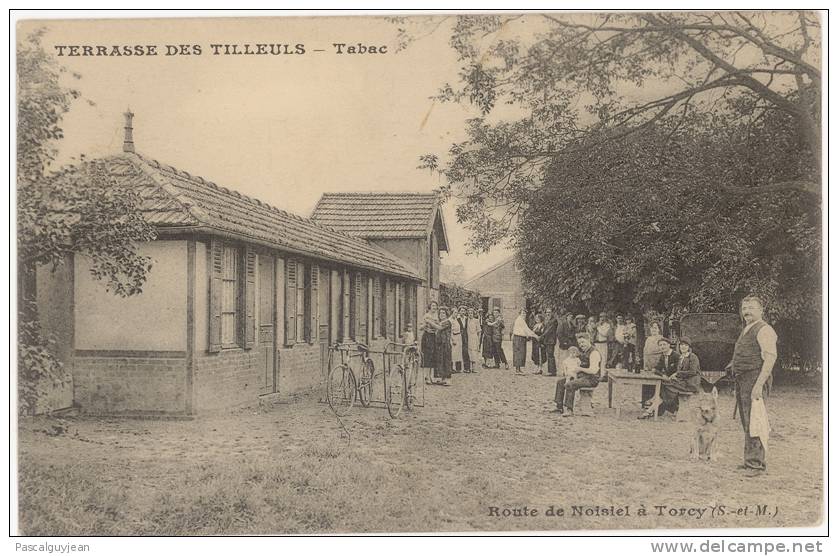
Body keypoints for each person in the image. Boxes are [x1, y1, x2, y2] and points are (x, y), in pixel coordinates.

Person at [728, 295, 778, 476]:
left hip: (755, 379)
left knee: (755, 420)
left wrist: (759, 384)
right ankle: (750, 460)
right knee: (747, 420)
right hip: (743, 380)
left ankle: (756, 464)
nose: (746, 312)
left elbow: (770, 358)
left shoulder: (765, 330)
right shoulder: (746, 328)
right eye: (744, 308)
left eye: (751, 308)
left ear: (761, 310)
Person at [641, 336, 700, 418]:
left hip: (690, 383)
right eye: (681, 345)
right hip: (682, 382)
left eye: (685, 345)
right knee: (665, 384)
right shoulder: (681, 357)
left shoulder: (692, 357)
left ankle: (654, 405)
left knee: (665, 385)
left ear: (689, 347)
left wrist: (677, 374)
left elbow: (693, 372)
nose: (683, 347)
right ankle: (651, 409)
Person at [553, 333, 601, 416]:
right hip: (581, 376)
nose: (581, 345)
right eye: (580, 343)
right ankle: (559, 407)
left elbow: (593, 370)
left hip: (591, 379)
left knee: (570, 384)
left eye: (583, 342)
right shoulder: (583, 351)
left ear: (588, 340)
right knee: (560, 382)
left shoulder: (594, 353)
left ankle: (569, 409)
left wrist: (580, 369)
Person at [512, 308, 537, 375]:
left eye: (525, 313)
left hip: (521, 338)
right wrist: (535, 336)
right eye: (523, 313)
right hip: (519, 338)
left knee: (521, 353)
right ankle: (517, 370)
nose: (524, 314)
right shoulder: (520, 320)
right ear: (520, 314)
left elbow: (526, 330)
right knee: (519, 353)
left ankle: (519, 369)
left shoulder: (521, 320)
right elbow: (527, 330)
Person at [432, 307, 454, 386]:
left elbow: (439, 328)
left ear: (447, 314)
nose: (441, 314)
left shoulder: (447, 322)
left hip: (445, 344)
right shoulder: (440, 322)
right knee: (440, 360)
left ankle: (448, 379)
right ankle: (442, 378)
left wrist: (430, 322)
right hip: (439, 344)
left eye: (443, 313)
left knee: (446, 361)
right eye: (440, 313)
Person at [420, 301, 440, 384]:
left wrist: (433, 323)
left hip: (433, 336)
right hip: (427, 337)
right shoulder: (426, 316)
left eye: (435, 306)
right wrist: (425, 325)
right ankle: (427, 377)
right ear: (429, 307)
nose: (434, 307)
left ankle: (430, 376)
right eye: (433, 306)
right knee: (428, 356)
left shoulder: (436, 316)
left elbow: (438, 327)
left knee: (433, 357)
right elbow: (420, 327)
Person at [539, 308, 559, 376]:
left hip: (551, 340)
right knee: (549, 355)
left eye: (549, 312)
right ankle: (551, 371)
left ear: (552, 313)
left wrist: (541, 336)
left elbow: (549, 330)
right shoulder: (546, 320)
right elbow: (544, 329)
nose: (548, 313)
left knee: (550, 355)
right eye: (547, 312)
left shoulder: (554, 320)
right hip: (547, 340)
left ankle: (552, 371)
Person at [594, 313, 612, 377]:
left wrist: (598, 327)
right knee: (596, 359)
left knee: (603, 359)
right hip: (596, 343)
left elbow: (604, 334)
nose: (602, 318)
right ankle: (595, 374)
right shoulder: (597, 324)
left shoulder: (607, 325)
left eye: (603, 317)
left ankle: (602, 375)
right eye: (601, 317)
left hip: (603, 343)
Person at [467, 307, 482, 373]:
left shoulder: (476, 321)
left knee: (474, 353)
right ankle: (469, 367)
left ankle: (474, 368)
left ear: (473, 314)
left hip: (474, 338)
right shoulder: (466, 320)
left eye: (471, 313)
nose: (470, 314)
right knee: (469, 352)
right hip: (468, 338)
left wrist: (478, 340)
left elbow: (479, 331)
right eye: (469, 313)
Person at [457, 306, 472, 372]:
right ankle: (458, 368)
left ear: (465, 312)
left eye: (463, 311)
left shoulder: (467, 319)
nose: (462, 312)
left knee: (465, 352)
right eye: (461, 311)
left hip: (465, 337)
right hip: (458, 336)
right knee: (458, 352)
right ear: (459, 311)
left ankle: (467, 368)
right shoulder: (457, 319)